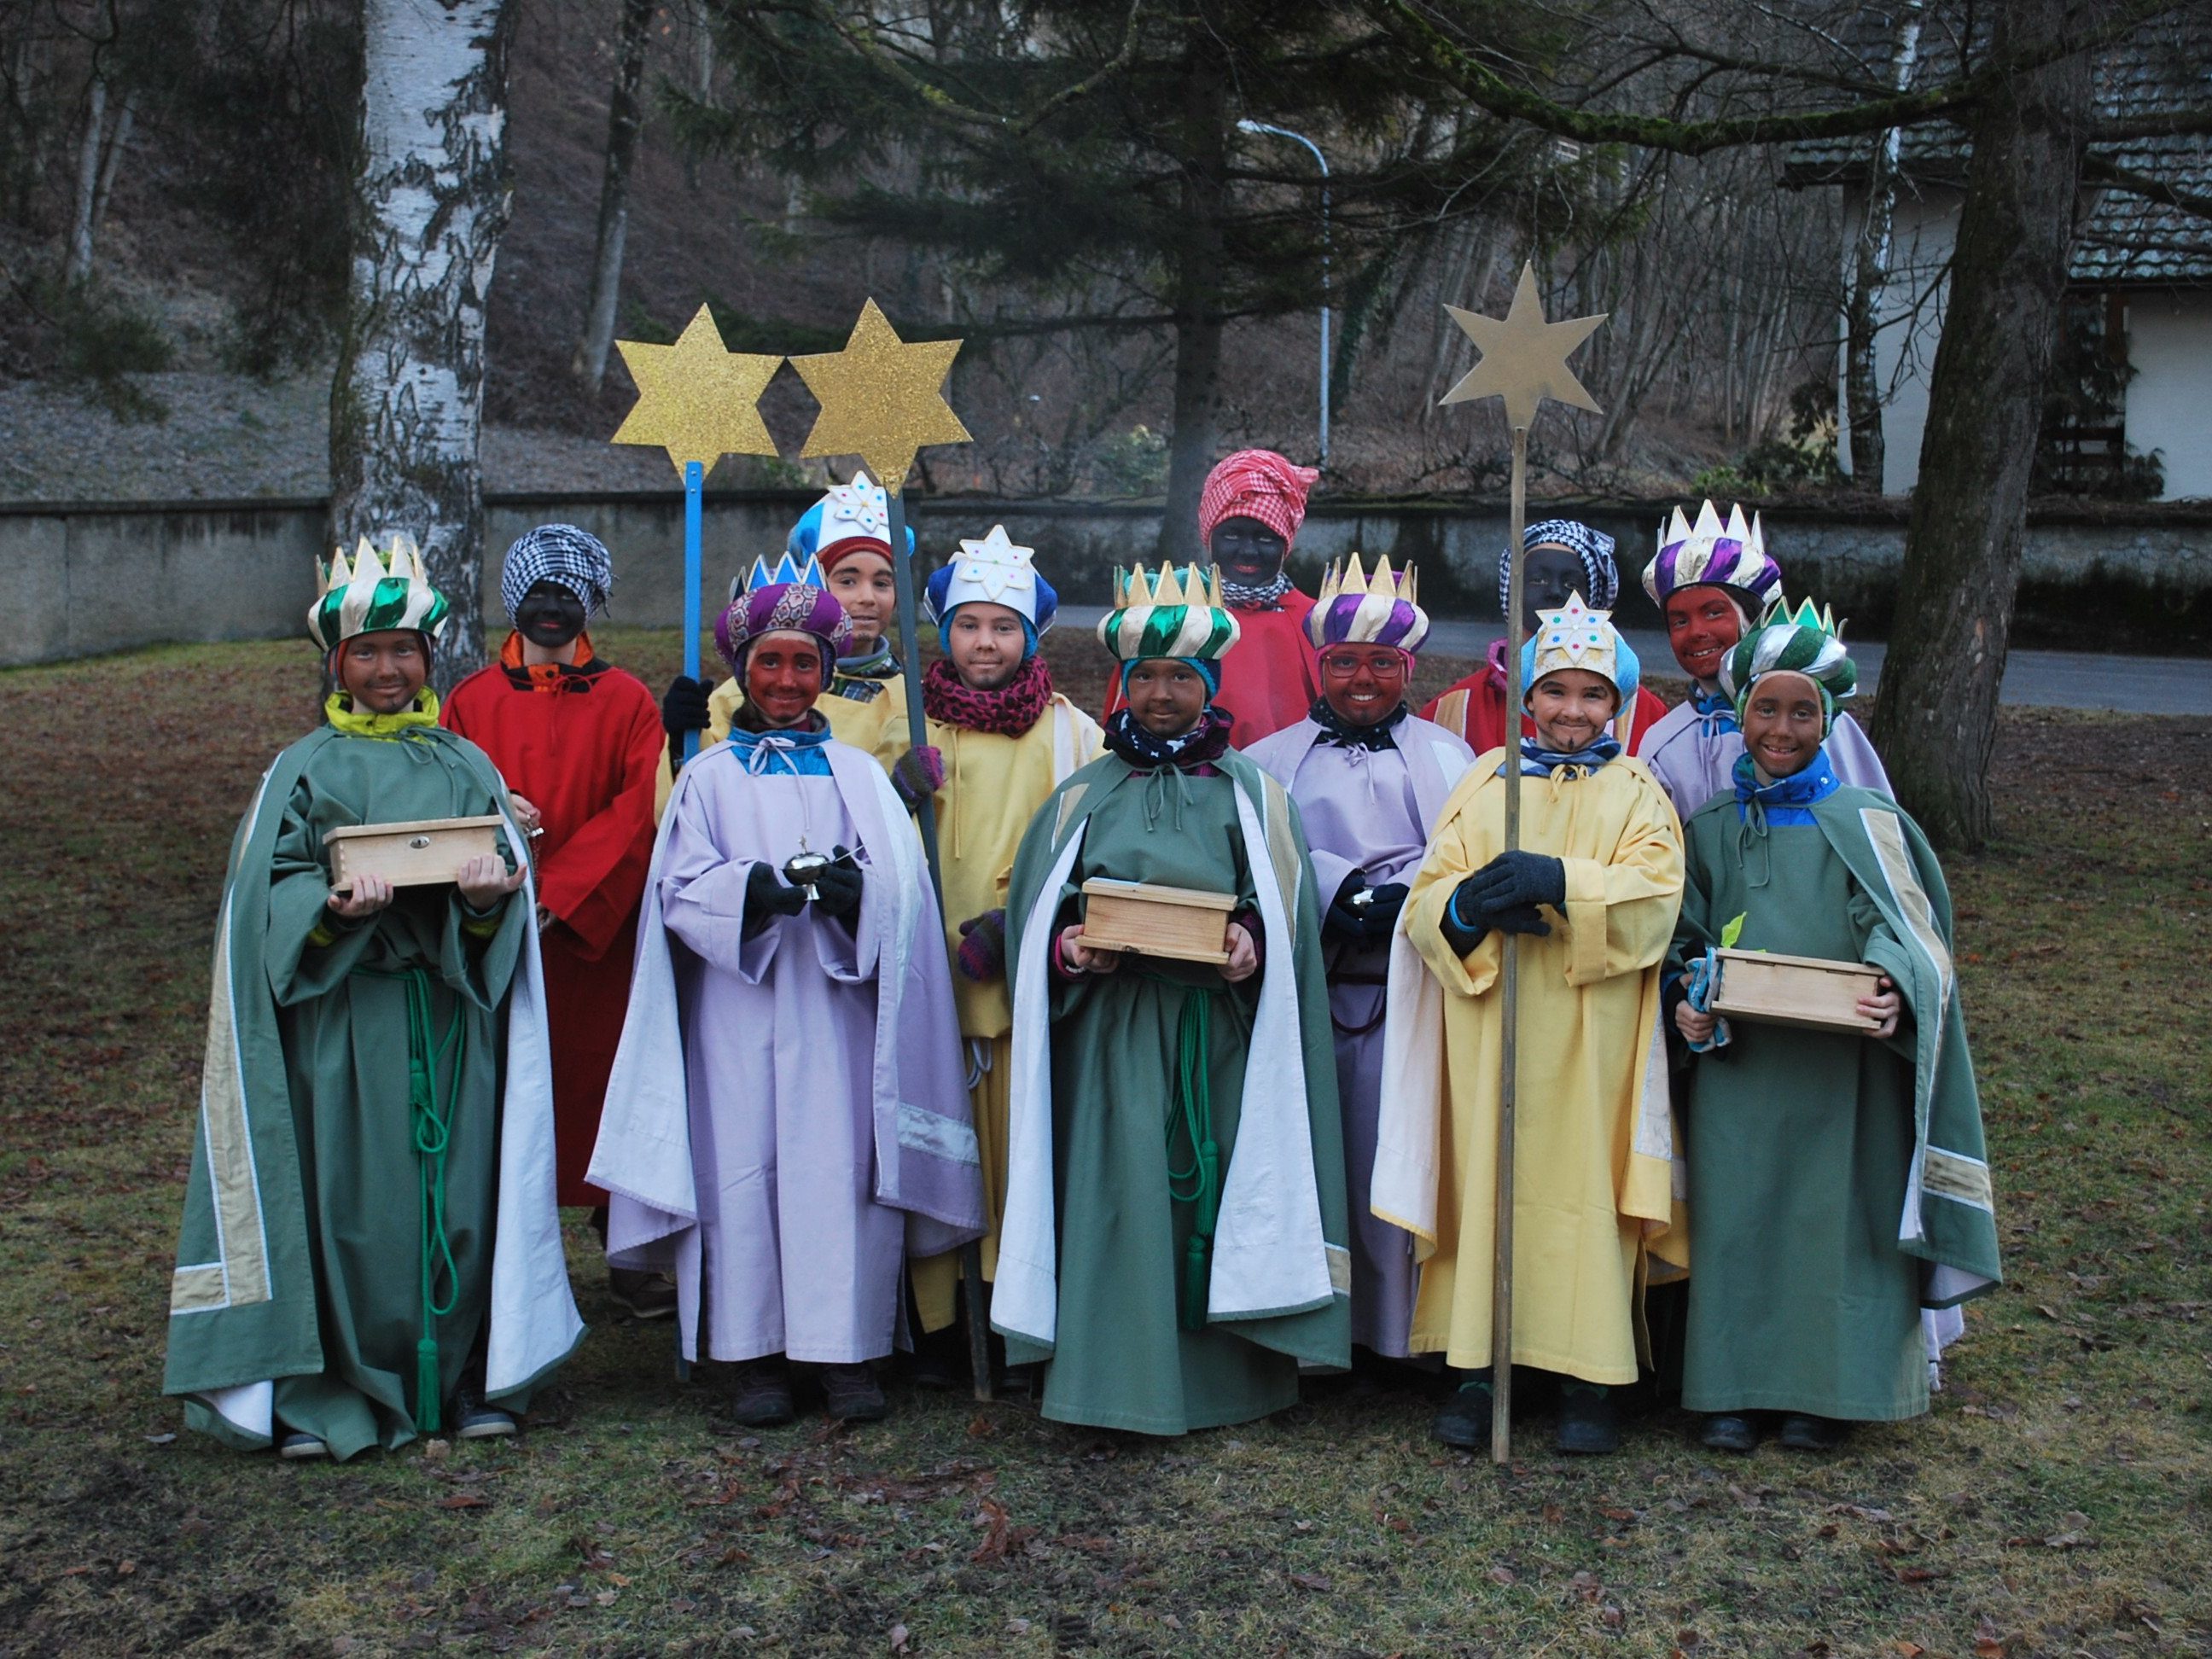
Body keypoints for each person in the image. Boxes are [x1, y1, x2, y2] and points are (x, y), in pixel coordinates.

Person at [164, 533, 581, 1461]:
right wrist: (329, 907)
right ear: (337, 664)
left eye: (406, 651)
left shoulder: (464, 765)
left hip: (448, 1020)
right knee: (355, 1210)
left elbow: (504, 883)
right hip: (347, 1025)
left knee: (459, 1202)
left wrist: (484, 904)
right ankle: (340, 1390)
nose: (389, 669)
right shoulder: (302, 770)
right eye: (369, 653)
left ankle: (466, 1378)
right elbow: (264, 901)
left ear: (430, 658)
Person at [590, 551, 984, 1428]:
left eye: (804, 662)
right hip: (739, 1008)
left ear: (827, 671)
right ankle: (754, 1354)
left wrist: (858, 900)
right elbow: (679, 891)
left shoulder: (858, 779)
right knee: (744, 1172)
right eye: (769, 662)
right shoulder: (706, 778)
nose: (786, 678)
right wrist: (749, 897)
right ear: (743, 671)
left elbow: (905, 896)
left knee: (838, 1173)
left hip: (839, 1011)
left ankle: (845, 1353)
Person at [997, 562, 1352, 1434]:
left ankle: (1226, 1382)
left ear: (1210, 685)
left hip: (1218, 1040)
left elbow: (1288, 918)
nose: (1161, 695)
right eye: (1146, 676)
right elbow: (1036, 911)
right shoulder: (1082, 795)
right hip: (1114, 1035)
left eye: (1181, 678)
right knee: (1118, 1195)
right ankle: (1111, 1377)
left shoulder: (1254, 795)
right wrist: (1068, 947)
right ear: (1123, 682)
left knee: (1215, 1199)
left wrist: (1250, 946)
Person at [1668, 599, 2000, 1452]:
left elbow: (1909, 931)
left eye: (1802, 711)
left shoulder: (1868, 823)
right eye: (1765, 709)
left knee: (1835, 1224)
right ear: (1738, 712)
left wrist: (1893, 986)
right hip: (1741, 1069)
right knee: (1741, 1217)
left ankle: (1832, 1388)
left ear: (1832, 718)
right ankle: (1732, 1386)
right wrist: (1689, 996)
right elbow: (1683, 936)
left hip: (1845, 1069)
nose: (1782, 729)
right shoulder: (1708, 832)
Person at [1375, 592, 1685, 1454]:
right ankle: (1481, 1367)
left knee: (1583, 1185)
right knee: (1491, 1182)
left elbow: (1656, 897)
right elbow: (1430, 893)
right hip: (1494, 1024)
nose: (1572, 712)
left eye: (1592, 695)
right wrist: (1469, 908)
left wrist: (1562, 881)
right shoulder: (1486, 781)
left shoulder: (1638, 793)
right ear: (1527, 699)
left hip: (1593, 1034)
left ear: (1617, 702)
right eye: (1555, 693)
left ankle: (1589, 1375)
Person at [870, 525, 1104, 1379]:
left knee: (1016, 1143)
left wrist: (1021, 924)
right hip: (922, 973)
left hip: (1015, 973)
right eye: (969, 625)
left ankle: (1012, 1307)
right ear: (944, 631)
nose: (985, 643)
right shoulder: (901, 718)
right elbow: (850, 823)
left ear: (1030, 637)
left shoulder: (1072, 736)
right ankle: (937, 1311)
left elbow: (1085, 844)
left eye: (1003, 627)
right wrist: (893, 790)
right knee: (938, 1139)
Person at [441, 525, 673, 1319]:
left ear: (590, 603)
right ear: (515, 602)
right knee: (514, 1095)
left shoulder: (628, 701)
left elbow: (637, 810)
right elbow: (451, 793)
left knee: (608, 1089)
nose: (551, 610)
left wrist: (564, 893)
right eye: (537, 595)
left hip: (591, 937)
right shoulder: (469, 702)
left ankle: (632, 1249)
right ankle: (513, 1249)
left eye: (566, 596)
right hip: (500, 925)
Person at [1246, 555, 1474, 1364]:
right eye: (1345, 661)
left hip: (1412, 993)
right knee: (1317, 1160)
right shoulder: (1272, 760)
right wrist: (1335, 889)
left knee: (1401, 1160)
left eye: (1383, 662)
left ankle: (1400, 1334)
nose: (1364, 679)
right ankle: (1318, 1331)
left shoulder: (1451, 758)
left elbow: (1464, 851)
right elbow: (1264, 854)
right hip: (1312, 986)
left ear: (1407, 667)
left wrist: (1407, 897)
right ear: (1321, 663)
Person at [1635, 500, 1889, 815]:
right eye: (1679, 621)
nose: (1696, 631)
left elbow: (1876, 828)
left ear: (1753, 618)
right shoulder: (1664, 745)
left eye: (1714, 613)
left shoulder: (1823, 722)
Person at [661, 477, 918, 758]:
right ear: (814, 589)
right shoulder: (742, 696)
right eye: (847, 581)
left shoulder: (915, 705)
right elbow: (701, 784)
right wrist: (682, 741)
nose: (867, 597)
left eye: (882, 583)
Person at [1103, 449, 1324, 743]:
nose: (1248, 551)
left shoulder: (1318, 622)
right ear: (1209, 537)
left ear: (1287, 544)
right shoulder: (1167, 618)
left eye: (1267, 538)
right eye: (1231, 535)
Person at [1420, 520, 1668, 755]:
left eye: (1571, 584)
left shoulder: (1645, 715)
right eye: (1538, 579)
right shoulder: (1450, 711)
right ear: (1511, 592)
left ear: (1592, 599)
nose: (1555, 592)